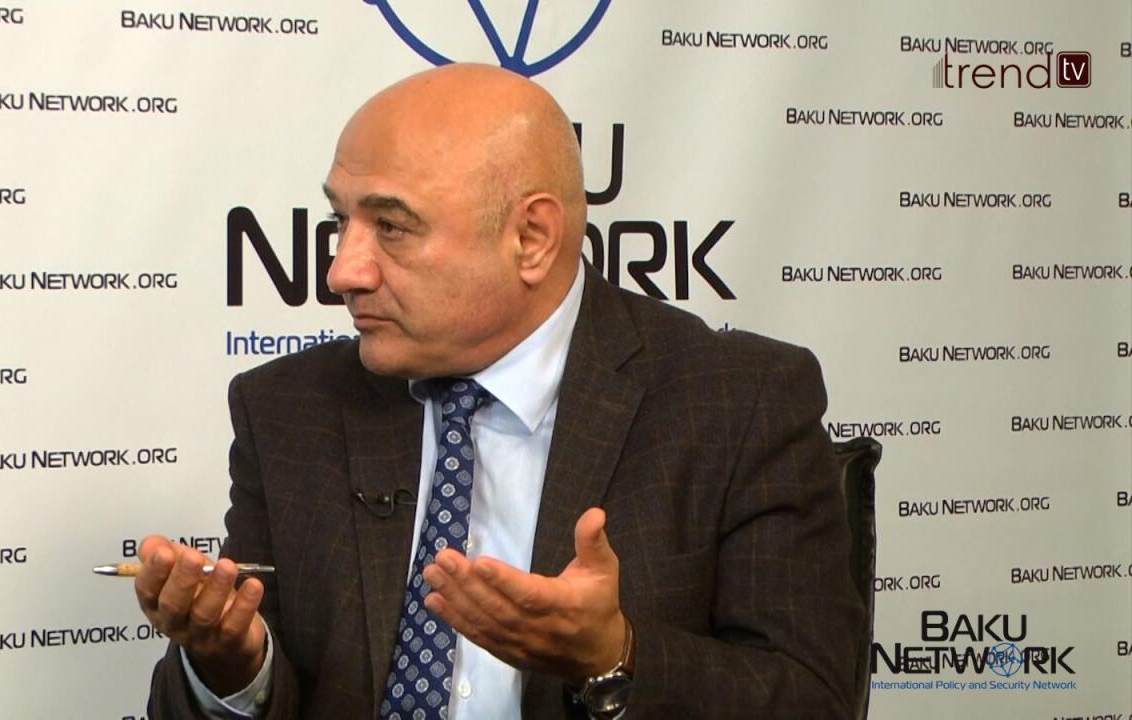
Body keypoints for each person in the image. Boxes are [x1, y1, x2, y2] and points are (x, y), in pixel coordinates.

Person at [135, 63, 865, 719]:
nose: (342, 271)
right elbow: (228, 686)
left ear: (532, 239)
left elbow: (810, 700)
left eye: (391, 226)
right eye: (340, 221)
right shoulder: (289, 410)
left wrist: (614, 657)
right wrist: (232, 666)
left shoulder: (739, 403)